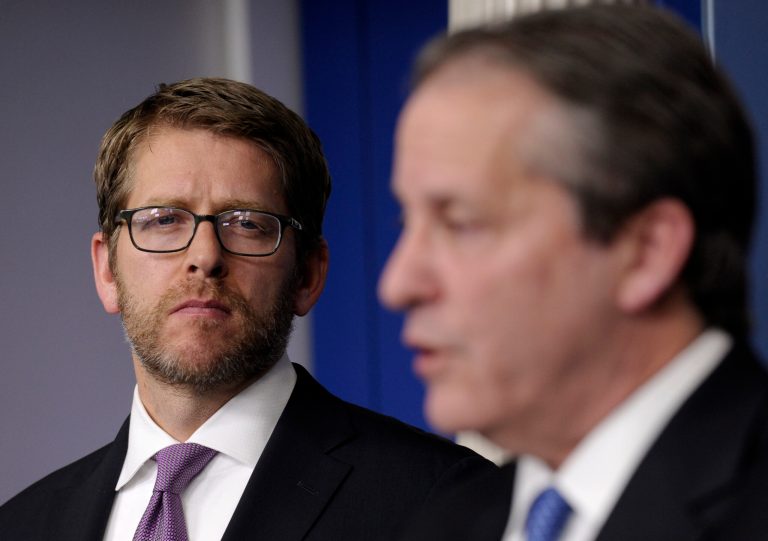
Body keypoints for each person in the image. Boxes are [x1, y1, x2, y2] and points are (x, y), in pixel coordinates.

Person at [0, 77, 493, 541]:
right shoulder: (22, 525)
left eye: (247, 224)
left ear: (307, 275)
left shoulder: (448, 505)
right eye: (164, 219)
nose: (205, 256)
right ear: (107, 270)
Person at [379, 4, 768, 540]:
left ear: (646, 251)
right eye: (408, 221)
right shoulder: (448, 521)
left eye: (460, 223)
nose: (397, 285)